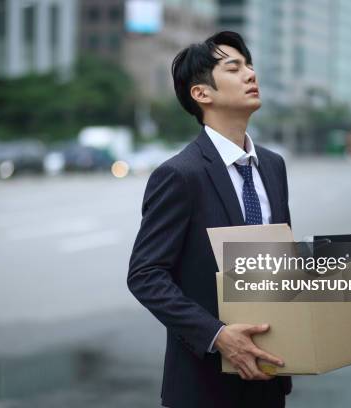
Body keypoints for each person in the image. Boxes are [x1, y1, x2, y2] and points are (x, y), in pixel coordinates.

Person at [127, 31, 292, 408]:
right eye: (234, 68)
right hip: (204, 388)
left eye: (249, 65)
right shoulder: (180, 175)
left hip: (269, 375)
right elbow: (145, 275)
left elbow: (279, 262)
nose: (251, 74)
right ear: (202, 94)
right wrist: (217, 336)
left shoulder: (273, 166)